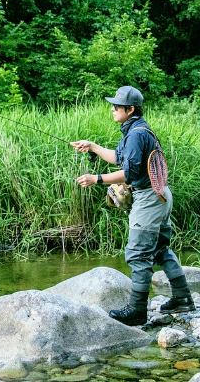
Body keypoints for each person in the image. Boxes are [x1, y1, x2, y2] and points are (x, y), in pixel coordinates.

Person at [71, 85, 193, 326]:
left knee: (138, 254)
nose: (113, 109)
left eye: (117, 106)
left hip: (149, 198)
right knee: (160, 249)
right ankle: (182, 299)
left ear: (130, 109)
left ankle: (137, 311)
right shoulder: (137, 130)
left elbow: (130, 172)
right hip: (161, 194)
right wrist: (93, 146)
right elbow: (119, 157)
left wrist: (96, 179)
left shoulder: (136, 133)